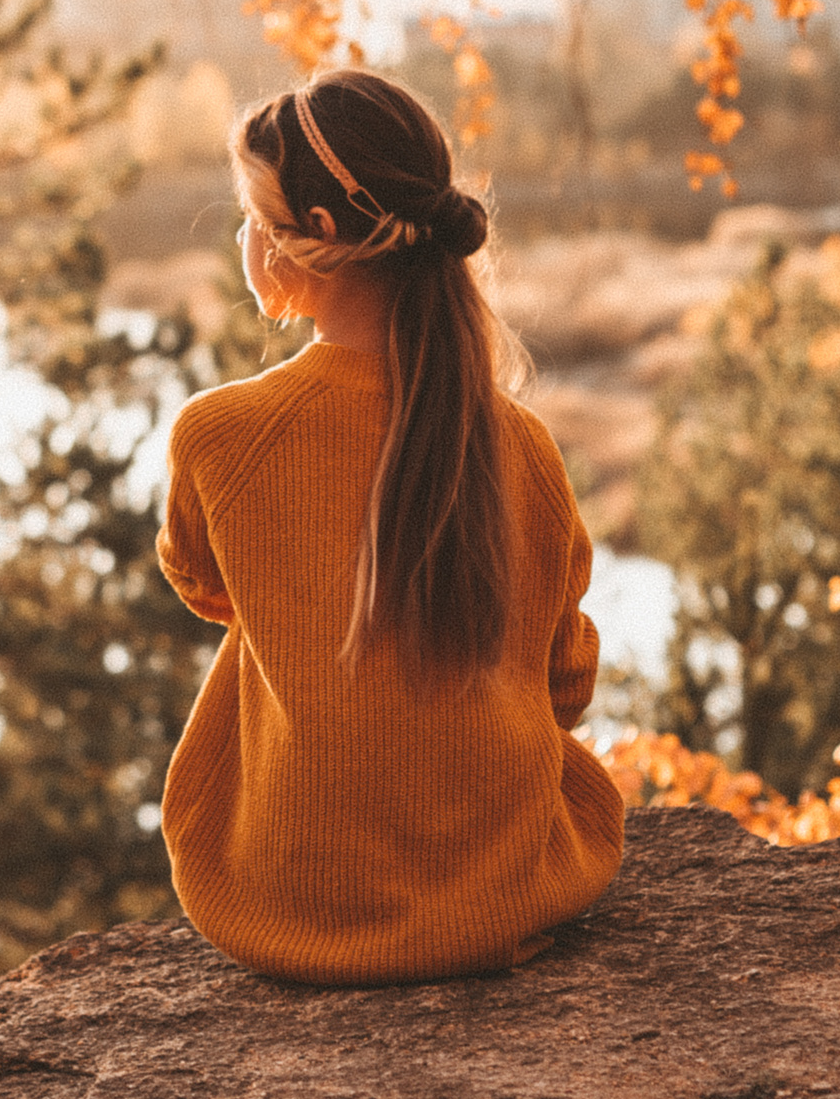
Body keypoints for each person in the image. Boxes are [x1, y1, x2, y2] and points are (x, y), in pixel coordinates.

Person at [156, 69, 625, 985]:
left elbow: (208, 588)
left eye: (253, 215)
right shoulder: (521, 445)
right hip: (503, 888)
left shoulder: (218, 436)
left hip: (292, 896)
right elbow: (566, 680)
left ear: (313, 233)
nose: (244, 238)